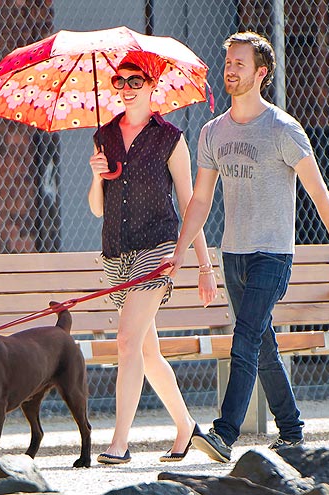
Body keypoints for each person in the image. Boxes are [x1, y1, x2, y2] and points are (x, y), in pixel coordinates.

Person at [162, 31, 329, 463]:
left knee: (245, 337)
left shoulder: (283, 129)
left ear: (261, 73)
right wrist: (180, 254)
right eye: (228, 62)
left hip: (273, 253)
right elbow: (200, 200)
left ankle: (224, 432)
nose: (230, 69)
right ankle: (292, 430)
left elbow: (319, 192)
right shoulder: (212, 132)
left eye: (239, 64)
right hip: (234, 254)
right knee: (261, 340)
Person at [88, 50, 218, 464]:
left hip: (157, 250)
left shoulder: (169, 137)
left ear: (152, 85)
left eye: (134, 82)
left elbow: (189, 201)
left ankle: (119, 444)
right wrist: (96, 175)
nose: (125, 90)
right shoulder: (104, 135)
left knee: (126, 341)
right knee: (146, 351)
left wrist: (203, 264)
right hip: (115, 254)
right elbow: (96, 208)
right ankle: (185, 427)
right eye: (119, 83)